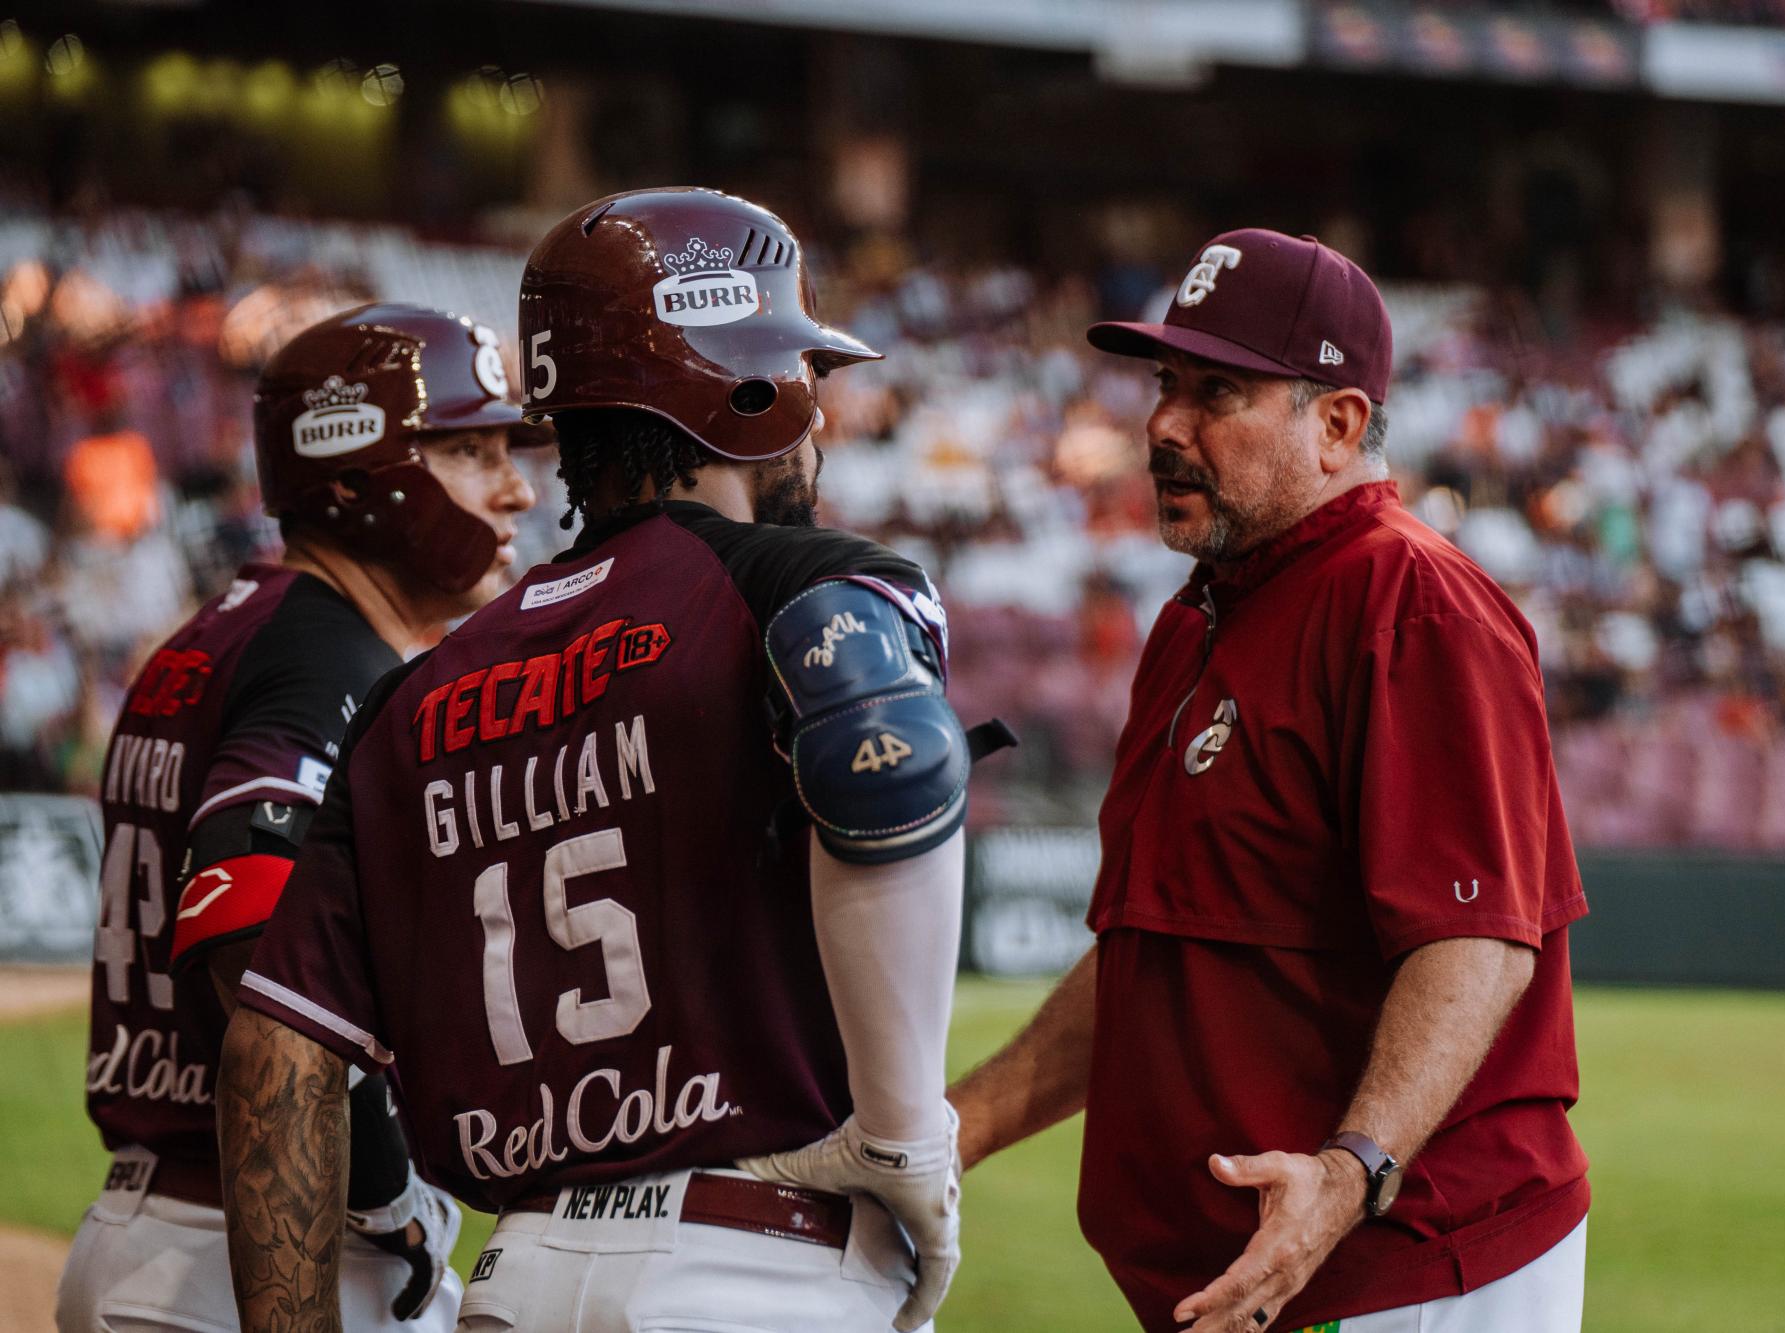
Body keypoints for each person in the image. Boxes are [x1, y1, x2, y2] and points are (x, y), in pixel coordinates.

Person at [217, 188, 1000, 1333]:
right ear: (747, 387)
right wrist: (906, 1139)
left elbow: (273, 1041)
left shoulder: (416, 690)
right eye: (805, 377)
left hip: (518, 1272)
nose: (818, 417)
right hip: (761, 1263)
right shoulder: (806, 579)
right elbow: (886, 771)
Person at [949, 229, 1592, 1333]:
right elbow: (1158, 955)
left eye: (1216, 392)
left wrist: (1347, 1175)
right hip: (1260, 1276)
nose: (1162, 423)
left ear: (1337, 423)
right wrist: (949, 1132)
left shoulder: (1410, 600)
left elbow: (1477, 942)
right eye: (1163, 383)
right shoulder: (1200, 616)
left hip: (1396, 1263)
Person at [59, 303, 543, 1332]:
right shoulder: (325, 653)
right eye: (470, 450)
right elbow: (251, 931)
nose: (519, 488)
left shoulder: (231, 627)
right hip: (251, 1249)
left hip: (170, 1229)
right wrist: (379, 1183)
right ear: (361, 472)